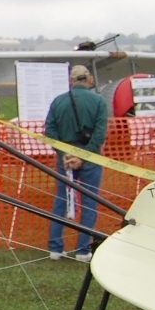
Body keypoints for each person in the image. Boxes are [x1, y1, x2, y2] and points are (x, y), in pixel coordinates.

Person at [45, 65, 110, 261]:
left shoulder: (58, 101)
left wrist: (65, 154)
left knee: (60, 201)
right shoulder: (98, 101)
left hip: (64, 158)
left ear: (70, 81)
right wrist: (83, 156)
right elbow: (99, 134)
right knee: (89, 203)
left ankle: (55, 248)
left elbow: (50, 132)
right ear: (89, 79)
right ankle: (83, 250)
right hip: (90, 157)